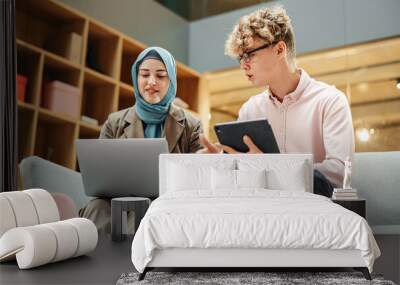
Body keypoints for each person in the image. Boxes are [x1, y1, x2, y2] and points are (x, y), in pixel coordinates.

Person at [199, 6, 354, 197]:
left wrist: (269, 167)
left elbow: (338, 175)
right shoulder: (250, 109)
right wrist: (223, 164)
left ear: (280, 49)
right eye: (240, 58)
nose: (243, 65)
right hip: (263, 210)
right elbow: (243, 176)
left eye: (249, 54)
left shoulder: (330, 101)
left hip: (315, 210)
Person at [80, 47, 203, 232]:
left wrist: (207, 160)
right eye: (144, 74)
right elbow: (101, 177)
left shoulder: (191, 125)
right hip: (118, 199)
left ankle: (132, 260)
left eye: (161, 76)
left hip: (166, 201)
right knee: (96, 208)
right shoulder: (114, 122)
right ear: (136, 78)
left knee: (146, 210)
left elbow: (199, 177)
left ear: (171, 81)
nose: (151, 82)